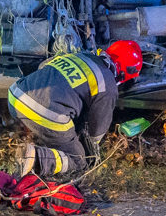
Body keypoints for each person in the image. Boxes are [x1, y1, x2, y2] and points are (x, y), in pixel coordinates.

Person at [9, 40, 143, 177]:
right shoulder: (108, 85)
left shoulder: (81, 56)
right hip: (43, 112)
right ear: (125, 73)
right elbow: (96, 131)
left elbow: (43, 66)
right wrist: (90, 150)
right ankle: (36, 158)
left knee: (59, 132)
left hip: (15, 96)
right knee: (78, 161)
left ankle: (41, 140)